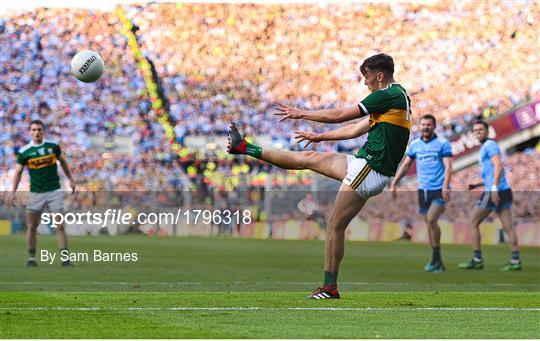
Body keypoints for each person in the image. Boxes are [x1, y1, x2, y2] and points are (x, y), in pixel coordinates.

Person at [227, 53, 411, 299]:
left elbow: (339, 116)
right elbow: (357, 128)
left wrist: (302, 113)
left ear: (379, 75)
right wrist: (320, 137)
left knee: (334, 226)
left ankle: (329, 287)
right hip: (365, 165)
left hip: (370, 169)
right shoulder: (396, 97)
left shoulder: (387, 94)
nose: (364, 83)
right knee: (309, 158)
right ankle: (244, 148)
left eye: (365, 77)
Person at [390, 114, 452, 273]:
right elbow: (405, 165)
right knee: (429, 225)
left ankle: (436, 259)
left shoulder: (443, 143)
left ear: (434, 126)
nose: (425, 127)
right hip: (422, 191)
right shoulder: (415, 145)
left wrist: (446, 186)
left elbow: (448, 166)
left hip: (438, 189)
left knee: (431, 220)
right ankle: (436, 261)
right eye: (423, 124)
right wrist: (394, 182)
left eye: (429, 125)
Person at [10, 120, 76, 267]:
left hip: (54, 191)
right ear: (30, 132)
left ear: (43, 131)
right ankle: (31, 258)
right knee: (32, 226)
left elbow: (63, 162)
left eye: (39, 129)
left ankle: (65, 259)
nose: (36, 132)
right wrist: (12, 192)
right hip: (36, 193)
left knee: (59, 225)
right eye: (33, 130)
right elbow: (18, 172)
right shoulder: (24, 152)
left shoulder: (53, 147)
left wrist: (71, 179)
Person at [459, 120, 521, 271]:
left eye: (480, 129)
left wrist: (493, 188)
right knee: (508, 227)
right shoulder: (487, 147)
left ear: (487, 131)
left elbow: (499, 165)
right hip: (503, 189)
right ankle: (515, 261)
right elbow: (493, 172)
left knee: (473, 221)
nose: (478, 132)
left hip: (495, 191)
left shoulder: (489, 145)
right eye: (475, 130)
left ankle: (477, 259)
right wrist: (478, 184)